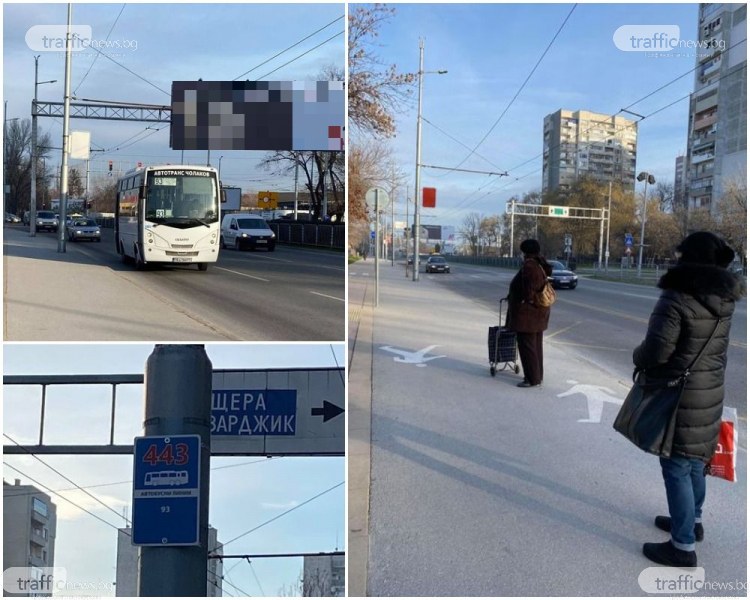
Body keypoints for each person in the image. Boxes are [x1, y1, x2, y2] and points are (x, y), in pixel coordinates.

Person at [635, 231, 742, 567]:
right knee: (695, 461)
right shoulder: (724, 298)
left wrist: (638, 357)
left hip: (679, 393)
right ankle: (692, 523)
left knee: (677, 465)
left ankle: (682, 548)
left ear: (690, 258)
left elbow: (657, 350)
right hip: (709, 391)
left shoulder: (676, 297)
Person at [505, 239, 552, 388]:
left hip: (527, 314)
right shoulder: (539, 263)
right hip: (539, 313)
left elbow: (528, 290)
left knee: (527, 347)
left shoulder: (529, 266)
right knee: (536, 346)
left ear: (526, 251)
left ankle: (531, 379)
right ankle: (538, 376)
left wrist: (522, 300)